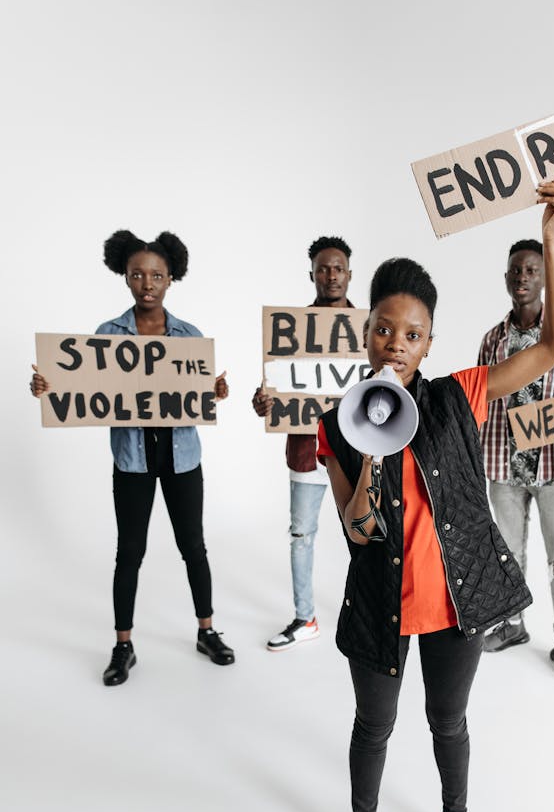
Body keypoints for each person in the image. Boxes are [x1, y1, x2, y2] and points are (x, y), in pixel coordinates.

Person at [317, 180, 554, 812]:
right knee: (375, 725)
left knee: (448, 721)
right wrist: (368, 443)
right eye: (384, 328)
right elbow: (357, 527)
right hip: (380, 603)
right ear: (366, 329)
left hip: (455, 602)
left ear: (429, 341)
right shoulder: (334, 424)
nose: (395, 344)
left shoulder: (461, 395)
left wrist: (553, 241)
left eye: (412, 333)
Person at [30, 229, 235, 686]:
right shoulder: (108, 335)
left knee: (193, 547)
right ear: (125, 277)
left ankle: (207, 631)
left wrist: (214, 391)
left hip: (181, 457)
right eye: (138, 274)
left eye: (157, 275)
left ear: (170, 279)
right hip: (133, 459)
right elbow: (83, 385)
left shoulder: (189, 336)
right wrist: (49, 388)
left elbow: (196, 392)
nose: (147, 283)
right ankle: (123, 645)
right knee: (130, 552)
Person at [477, 238, 554, 680]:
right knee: (507, 553)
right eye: (516, 271)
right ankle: (512, 625)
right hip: (503, 465)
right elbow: (479, 402)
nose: (523, 278)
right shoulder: (492, 341)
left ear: (546, 278)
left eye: (532, 270)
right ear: (506, 279)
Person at [252, 236, 354, 652]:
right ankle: (304, 617)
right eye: (323, 268)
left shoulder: (370, 326)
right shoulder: (290, 328)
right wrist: (263, 402)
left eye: (338, 268)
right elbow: (274, 391)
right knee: (302, 534)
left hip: (357, 453)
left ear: (350, 274)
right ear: (312, 273)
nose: (331, 275)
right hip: (307, 450)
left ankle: (371, 614)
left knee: (368, 535)